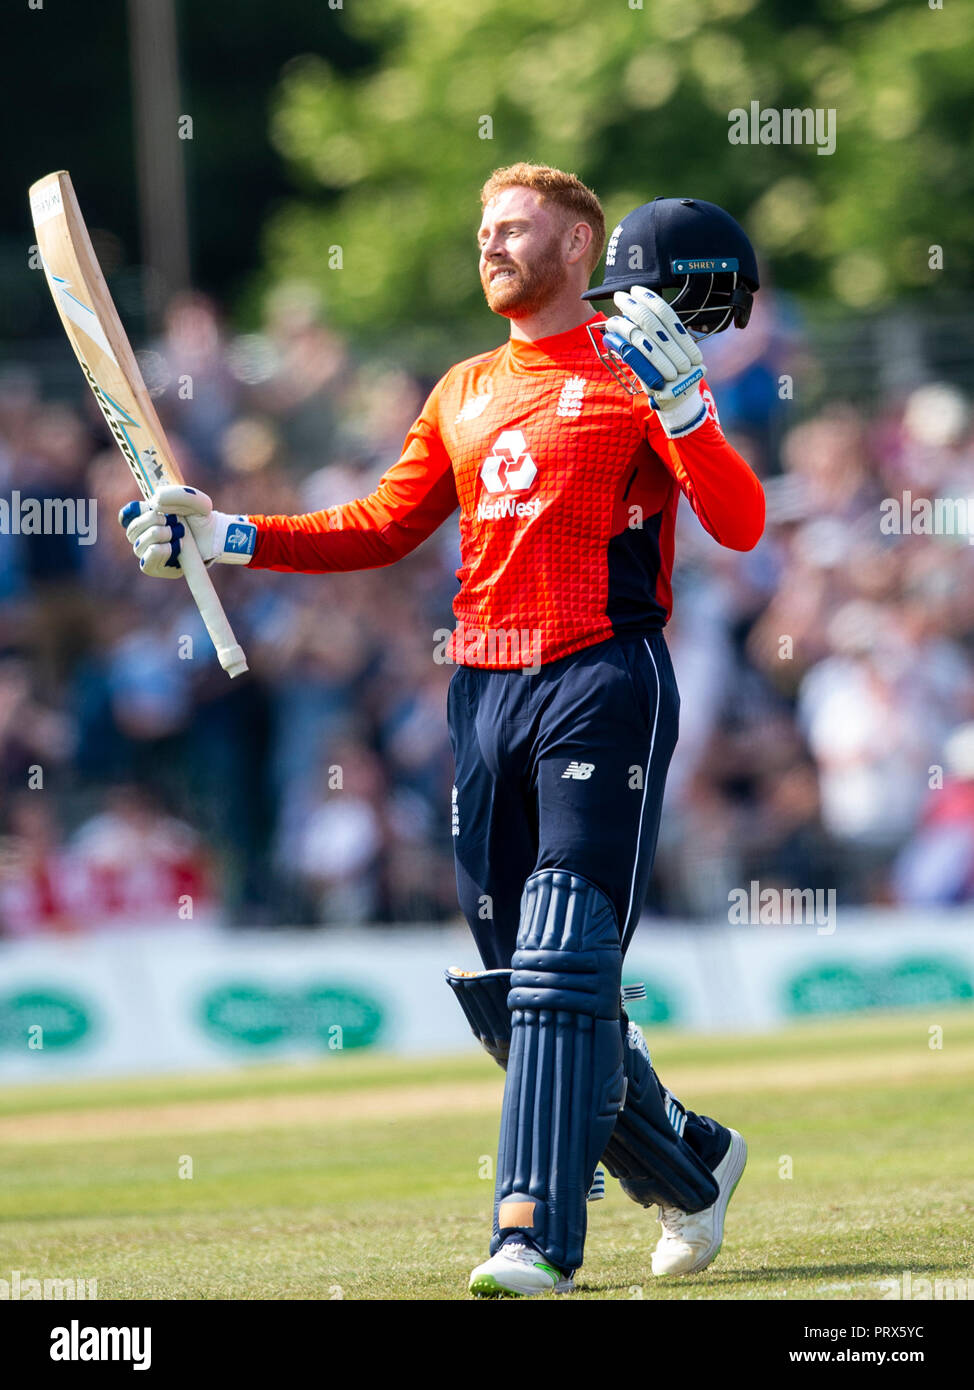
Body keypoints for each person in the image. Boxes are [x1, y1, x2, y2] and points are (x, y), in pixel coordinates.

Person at [119, 165, 765, 1297]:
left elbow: (740, 522)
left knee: (565, 951)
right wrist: (223, 536)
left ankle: (530, 1234)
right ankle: (689, 1159)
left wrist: (688, 411)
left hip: (601, 671)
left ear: (578, 245)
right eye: (481, 230)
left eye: (513, 228)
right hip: (481, 690)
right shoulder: (463, 386)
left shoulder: (634, 370)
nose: (489, 245)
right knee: (515, 993)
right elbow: (377, 525)